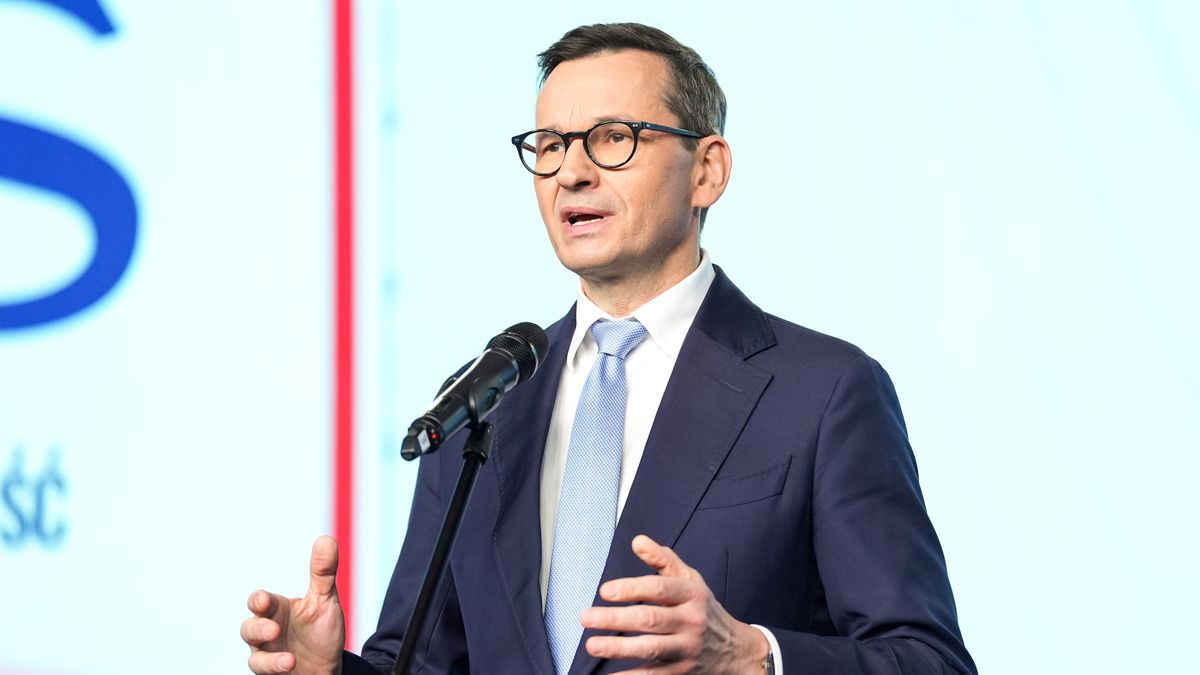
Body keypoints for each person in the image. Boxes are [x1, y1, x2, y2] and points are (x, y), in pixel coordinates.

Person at [241, 23, 977, 675]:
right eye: (552, 144)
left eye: (612, 137)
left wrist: (751, 656)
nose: (571, 171)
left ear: (707, 170)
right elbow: (428, 661)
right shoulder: (483, 399)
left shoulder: (823, 392)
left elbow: (928, 659)